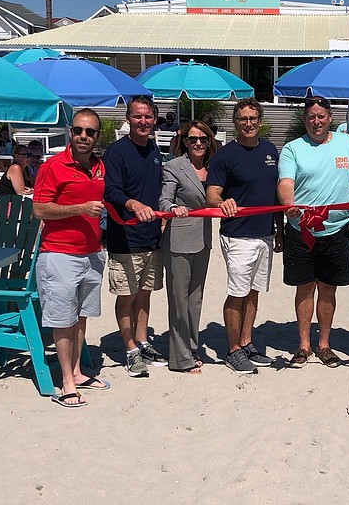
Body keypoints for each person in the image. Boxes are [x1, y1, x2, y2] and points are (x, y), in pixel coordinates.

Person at [278, 97, 349, 369]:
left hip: (336, 231)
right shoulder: (293, 148)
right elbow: (285, 182)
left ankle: (324, 344)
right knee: (304, 289)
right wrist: (288, 204)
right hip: (301, 229)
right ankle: (304, 345)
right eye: (311, 117)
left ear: (330, 117)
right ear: (304, 119)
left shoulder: (348, 144)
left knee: (328, 289)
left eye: (321, 116)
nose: (316, 122)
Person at [33, 108, 108, 408]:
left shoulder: (99, 166)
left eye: (89, 132)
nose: (83, 136)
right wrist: (79, 208)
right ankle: (65, 382)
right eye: (78, 130)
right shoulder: (52, 166)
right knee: (62, 320)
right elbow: (39, 209)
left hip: (91, 252)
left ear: (96, 136)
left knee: (80, 317)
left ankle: (77, 372)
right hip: (59, 253)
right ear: (70, 132)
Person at [205, 98, 282, 374]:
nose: (248, 123)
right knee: (237, 293)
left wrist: (279, 230)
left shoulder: (271, 150)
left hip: (265, 234)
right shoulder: (225, 155)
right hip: (237, 235)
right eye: (242, 119)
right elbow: (212, 193)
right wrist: (221, 202)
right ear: (235, 122)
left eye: (252, 118)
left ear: (260, 121)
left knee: (253, 292)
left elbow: (275, 196)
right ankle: (233, 349)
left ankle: (247, 342)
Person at [103, 95, 167, 378]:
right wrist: (134, 204)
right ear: (128, 119)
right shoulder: (116, 152)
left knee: (145, 293)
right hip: (124, 238)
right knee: (126, 296)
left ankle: (142, 340)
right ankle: (129, 349)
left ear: (154, 119)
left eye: (148, 117)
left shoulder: (154, 150)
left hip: (151, 237)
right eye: (137, 116)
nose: (143, 122)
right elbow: (111, 191)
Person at [159, 121, 216, 374]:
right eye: (192, 139)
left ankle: (192, 348)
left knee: (195, 300)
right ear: (185, 142)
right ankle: (180, 358)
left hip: (203, 239)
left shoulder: (215, 166)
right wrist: (172, 208)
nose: (198, 143)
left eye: (203, 138)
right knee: (178, 301)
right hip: (178, 240)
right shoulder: (174, 166)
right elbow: (164, 198)